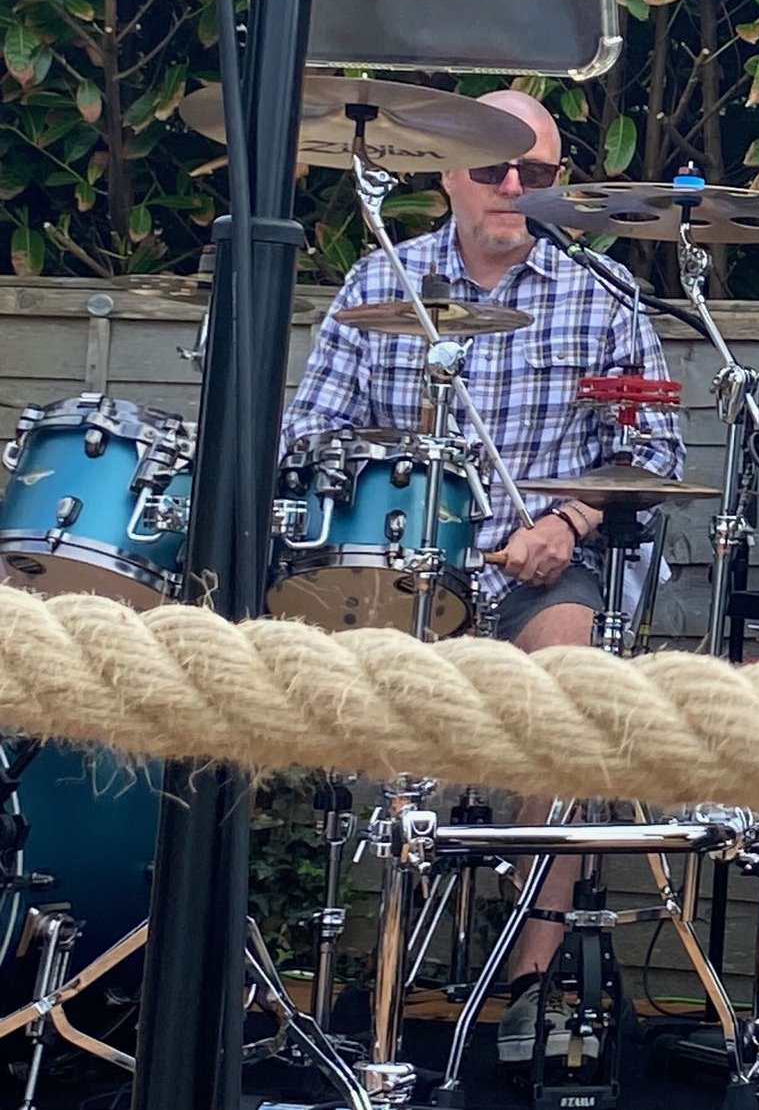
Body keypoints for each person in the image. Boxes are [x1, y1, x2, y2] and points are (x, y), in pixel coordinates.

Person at [281, 87, 684, 1061]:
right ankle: (370, 969)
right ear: (446, 175)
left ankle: (532, 977)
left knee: (571, 672)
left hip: (546, 573)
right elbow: (304, 438)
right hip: (406, 573)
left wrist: (570, 516)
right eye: (492, 168)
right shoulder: (384, 285)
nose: (512, 186)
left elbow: (657, 448)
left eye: (535, 173)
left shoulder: (606, 297)